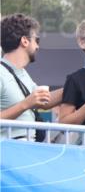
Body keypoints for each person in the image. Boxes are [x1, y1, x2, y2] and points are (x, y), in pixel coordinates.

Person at [1, 13, 58, 141]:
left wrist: (74, 86)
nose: (38, 46)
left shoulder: (21, 73)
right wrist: (26, 104)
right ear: (25, 41)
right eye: (37, 40)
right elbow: (31, 102)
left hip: (26, 149)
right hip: (8, 152)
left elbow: (44, 101)